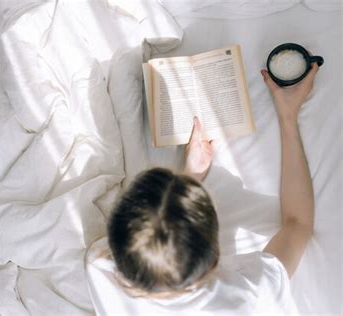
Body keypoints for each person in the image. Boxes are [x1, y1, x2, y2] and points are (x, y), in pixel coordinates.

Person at [85, 63, 318, 315]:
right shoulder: (250, 294)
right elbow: (298, 223)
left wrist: (191, 173)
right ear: (215, 257)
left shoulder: (99, 267)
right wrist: (287, 117)